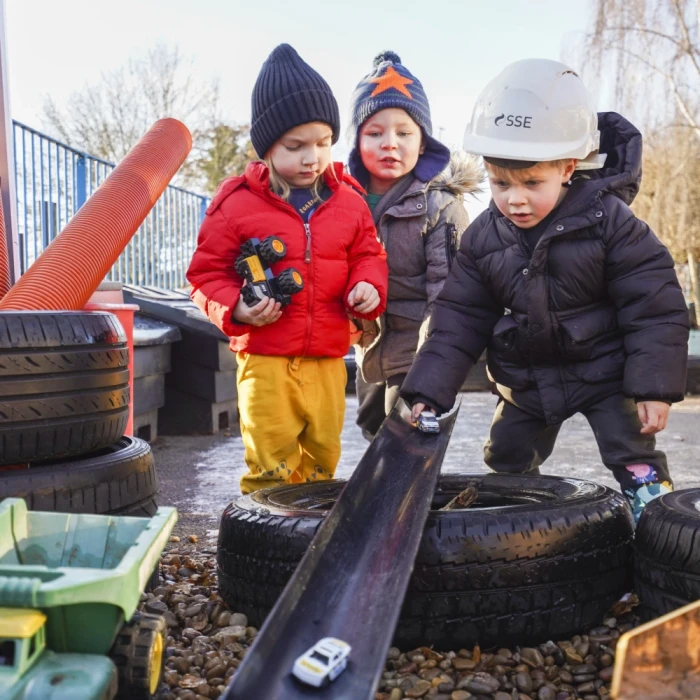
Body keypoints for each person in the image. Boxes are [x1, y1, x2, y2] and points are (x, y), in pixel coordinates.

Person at [400, 58, 689, 522]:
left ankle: (653, 517)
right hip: (529, 378)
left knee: (630, 448)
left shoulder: (611, 224)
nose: (515, 198)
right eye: (499, 183)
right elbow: (457, 321)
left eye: (532, 183)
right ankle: (519, 523)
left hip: (605, 372)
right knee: (506, 455)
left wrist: (654, 387)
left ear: (568, 167)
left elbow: (653, 307)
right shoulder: (483, 238)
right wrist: (427, 393)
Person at [187, 44, 388, 494]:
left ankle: (309, 532)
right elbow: (205, 276)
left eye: (322, 143)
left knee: (322, 457)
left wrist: (368, 286)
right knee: (270, 460)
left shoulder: (350, 202)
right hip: (265, 358)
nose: (311, 157)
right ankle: (264, 538)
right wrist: (235, 307)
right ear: (266, 147)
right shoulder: (234, 204)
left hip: (328, 360)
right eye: (294, 146)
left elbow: (369, 256)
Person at [347, 51, 482, 440]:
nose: (390, 144)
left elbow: (448, 295)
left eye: (404, 133)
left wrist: (433, 369)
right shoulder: (343, 203)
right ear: (357, 141)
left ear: (423, 143)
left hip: (417, 351)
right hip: (370, 346)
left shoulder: (440, 208)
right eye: (375, 133)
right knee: (372, 428)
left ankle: (412, 499)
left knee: (404, 432)